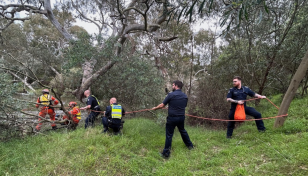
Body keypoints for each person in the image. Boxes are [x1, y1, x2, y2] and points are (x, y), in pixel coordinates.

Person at [152, 80, 194, 158]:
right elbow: (182, 106)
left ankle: (166, 153)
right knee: (183, 131)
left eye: (173, 85)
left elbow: (162, 105)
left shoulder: (171, 95)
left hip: (172, 118)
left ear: (176, 86)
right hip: (181, 118)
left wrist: (155, 108)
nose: (172, 86)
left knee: (169, 135)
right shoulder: (185, 96)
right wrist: (171, 107)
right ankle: (190, 146)